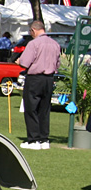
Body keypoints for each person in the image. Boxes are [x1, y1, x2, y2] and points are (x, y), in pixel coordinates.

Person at [18, 20, 61, 150]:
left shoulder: (34, 43)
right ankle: (44, 139)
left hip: (35, 78)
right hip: (49, 79)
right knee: (45, 109)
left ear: (34, 30)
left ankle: (33, 140)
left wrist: (19, 61)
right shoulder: (55, 44)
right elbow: (57, 64)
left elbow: (25, 62)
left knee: (31, 108)